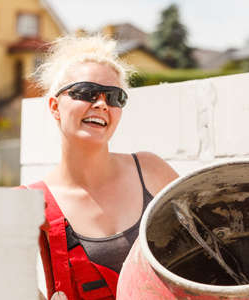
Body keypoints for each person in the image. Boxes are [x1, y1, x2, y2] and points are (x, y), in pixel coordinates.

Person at [22, 35, 179, 300]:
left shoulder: (151, 172)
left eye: (115, 97)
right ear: (54, 106)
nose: (102, 104)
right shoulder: (31, 202)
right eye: (85, 92)